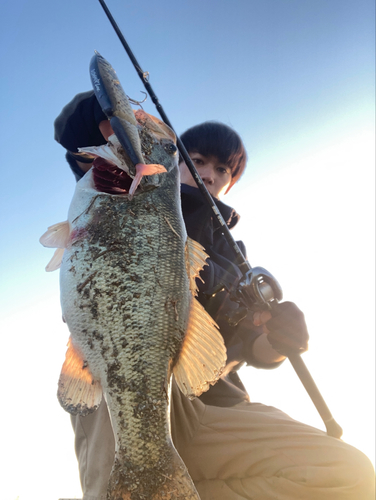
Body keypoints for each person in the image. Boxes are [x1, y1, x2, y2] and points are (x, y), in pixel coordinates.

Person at [54, 91, 375, 500]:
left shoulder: (236, 258)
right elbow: (80, 142)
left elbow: (246, 344)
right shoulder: (127, 190)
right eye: (196, 159)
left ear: (230, 181)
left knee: (349, 475)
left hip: (217, 406)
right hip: (120, 386)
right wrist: (107, 116)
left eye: (221, 168)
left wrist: (278, 340)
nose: (207, 173)